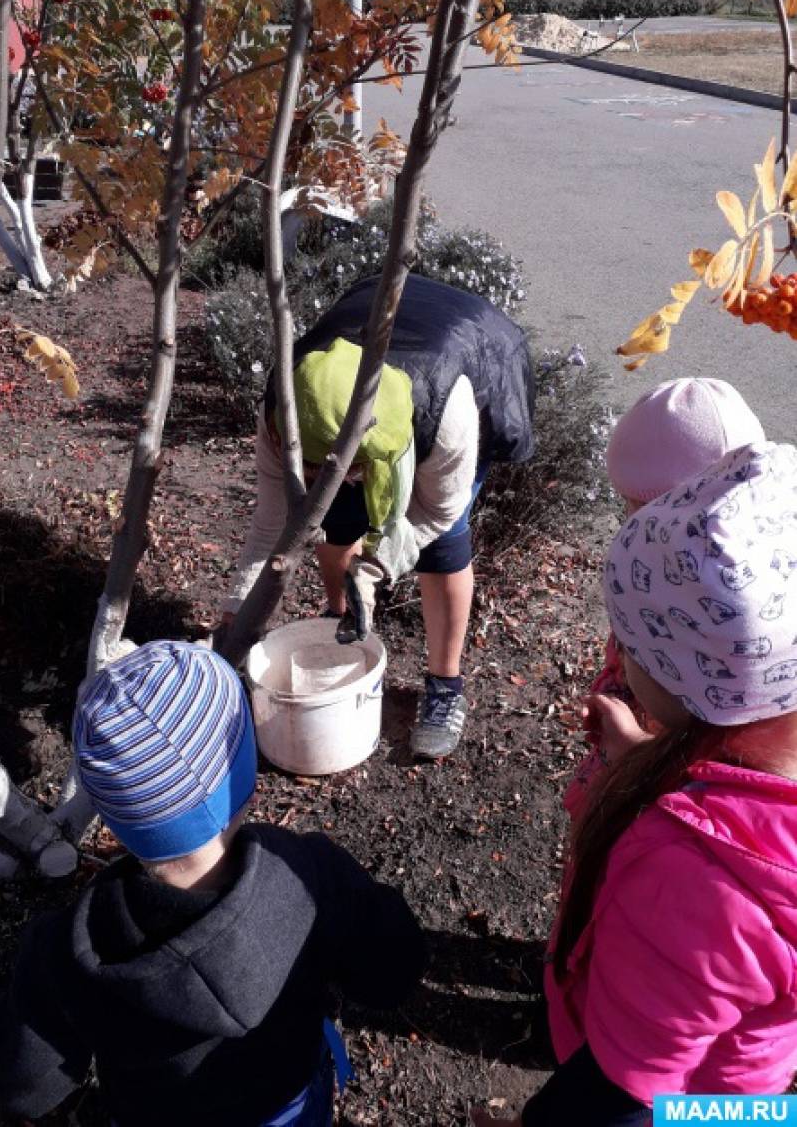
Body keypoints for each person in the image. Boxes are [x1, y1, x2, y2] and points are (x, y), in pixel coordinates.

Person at [0, 641, 426, 1126]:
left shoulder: (68, 949)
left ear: (111, 810)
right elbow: (391, 975)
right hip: (289, 1104)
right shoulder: (311, 875)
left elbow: (22, 1087)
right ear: (241, 768)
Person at [486, 441, 797, 1126]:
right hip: (752, 1088)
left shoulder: (695, 881)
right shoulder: (760, 773)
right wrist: (637, 759)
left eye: (631, 641)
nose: (616, 655)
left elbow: (623, 1096)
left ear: (695, 684)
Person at [222, 273, 535, 759]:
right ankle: (338, 617)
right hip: (373, 330)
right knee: (329, 514)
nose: (309, 472)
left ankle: (445, 685)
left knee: (442, 547)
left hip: (472, 350)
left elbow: (435, 512)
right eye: (303, 462)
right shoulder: (282, 410)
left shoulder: (447, 419)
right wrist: (234, 620)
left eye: (352, 468)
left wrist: (373, 569)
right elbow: (271, 525)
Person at [564, 377, 765, 817]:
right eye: (628, 506)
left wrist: (639, 752)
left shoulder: (738, 626)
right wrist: (616, 690)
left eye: (640, 509)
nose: (630, 524)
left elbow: (722, 768)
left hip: (660, 797)